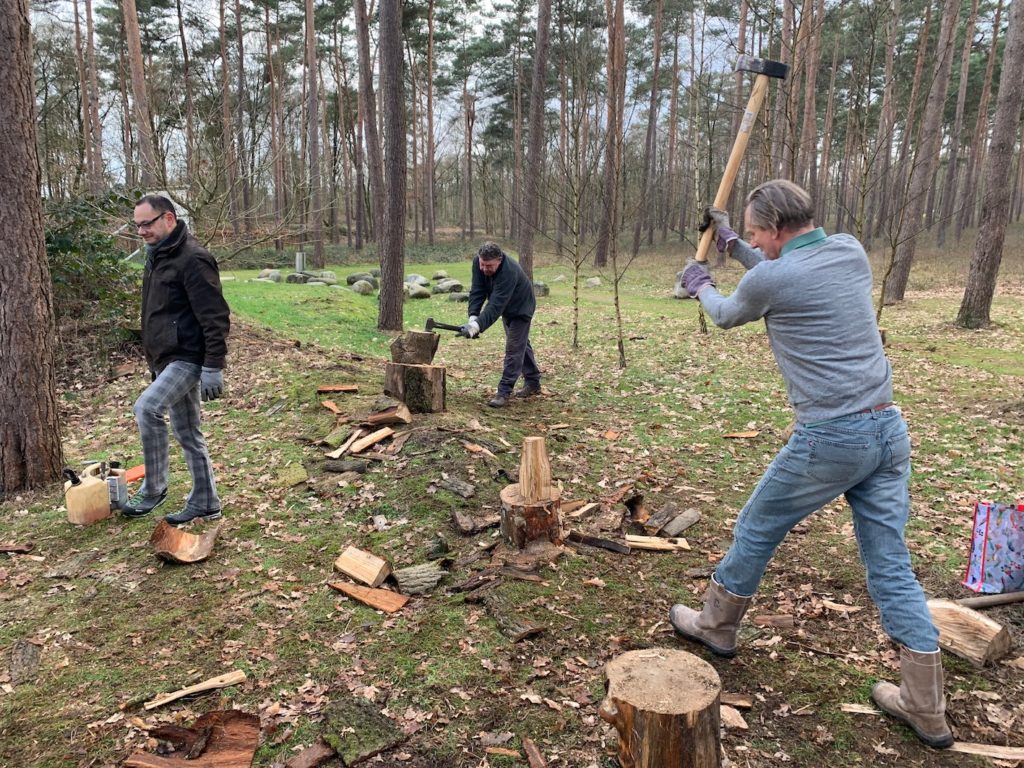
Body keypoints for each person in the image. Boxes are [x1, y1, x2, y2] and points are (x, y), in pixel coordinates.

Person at [671, 180, 953, 749]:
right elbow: (777, 272)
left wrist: (700, 285)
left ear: (776, 229)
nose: (752, 240)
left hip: (832, 437)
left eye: (754, 232)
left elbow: (730, 312)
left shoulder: (773, 277)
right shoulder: (847, 250)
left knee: (756, 525)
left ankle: (716, 625)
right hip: (887, 431)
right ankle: (926, 706)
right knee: (891, 564)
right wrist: (728, 241)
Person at [120, 194, 231, 527]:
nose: (141, 231)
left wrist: (213, 366)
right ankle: (206, 502)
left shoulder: (193, 259)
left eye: (146, 224)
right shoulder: (158, 256)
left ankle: (154, 488)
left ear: (168, 219)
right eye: (136, 225)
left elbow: (215, 317)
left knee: (147, 408)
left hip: (188, 357)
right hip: (164, 359)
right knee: (187, 433)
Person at [460, 242, 542, 408]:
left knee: (514, 349)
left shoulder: (509, 271)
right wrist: (473, 317)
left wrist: (477, 326)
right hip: (507, 308)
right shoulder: (478, 263)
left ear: (499, 260)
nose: (484, 269)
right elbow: (477, 289)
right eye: (482, 264)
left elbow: (496, 305)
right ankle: (533, 382)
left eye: (488, 266)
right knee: (521, 345)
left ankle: (503, 392)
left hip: (522, 308)